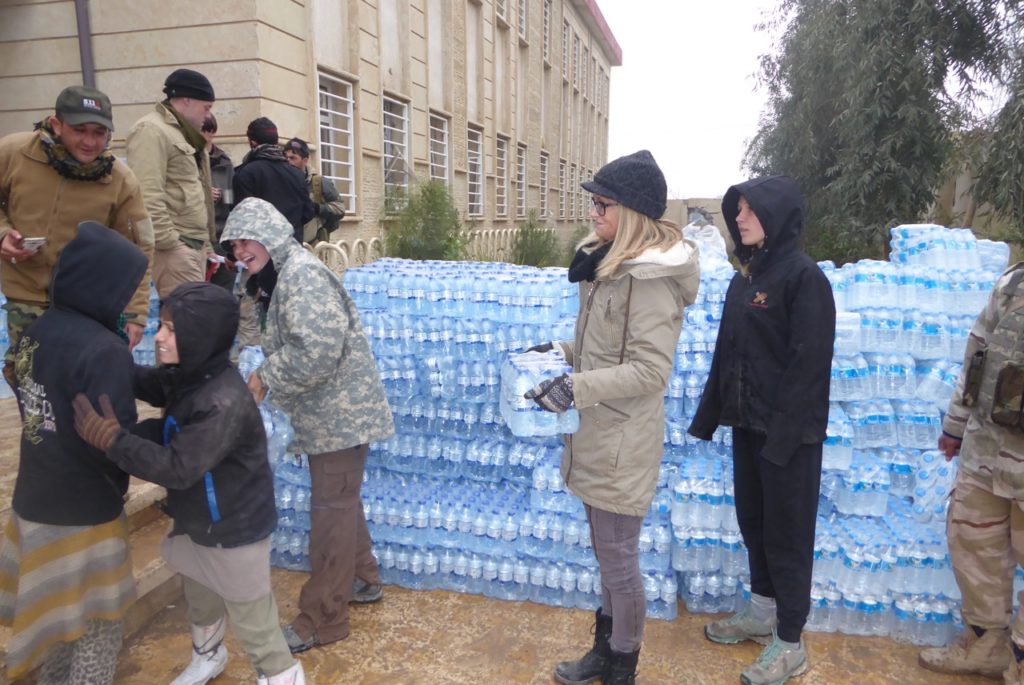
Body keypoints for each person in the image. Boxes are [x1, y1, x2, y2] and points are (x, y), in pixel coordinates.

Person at [72, 282, 305, 685]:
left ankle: (284, 676)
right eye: (161, 325)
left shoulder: (222, 401)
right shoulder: (192, 376)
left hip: (235, 529)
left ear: (201, 337)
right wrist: (108, 355)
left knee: (255, 624)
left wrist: (117, 441)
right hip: (199, 519)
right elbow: (151, 384)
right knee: (199, 598)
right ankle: (208, 657)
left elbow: (178, 467)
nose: (158, 337)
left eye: (170, 330)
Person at [524, 150, 700, 685]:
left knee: (618, 561)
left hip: (622, 444)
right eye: (593, 202)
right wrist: (555, 352)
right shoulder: (606, 266)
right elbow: (599, 350)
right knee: (606, 555)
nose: (593, 212)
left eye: (602, 204)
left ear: (631, 212)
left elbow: (650, 371)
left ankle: (623, 660)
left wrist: (574, 388)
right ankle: (604, 651)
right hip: (598, 437)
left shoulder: (649, 282)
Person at [222, 198, 394, 654]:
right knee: (341, 504)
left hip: (340, 415)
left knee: (330, 514)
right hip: (333, 413)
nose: (240, 250)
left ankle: (322, 619)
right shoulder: (279, 277)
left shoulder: (300, 275)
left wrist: (264, 378)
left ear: (270, 233)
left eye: (246, 239)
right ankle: (362, 578)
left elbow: (317, 350)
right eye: (234, 244)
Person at [688, 176, 835, 685]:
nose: (741, 217)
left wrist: (784, 437)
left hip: (789, 438)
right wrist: (709, 417)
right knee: (755, 524)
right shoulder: (743, 279)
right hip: (747, 428)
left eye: (751, 209)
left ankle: (791, 642)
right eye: (739, 210)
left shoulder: (803, 278)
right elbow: (726, 356)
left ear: (778, 216)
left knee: (788, 536)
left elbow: (809, 366)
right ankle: (761, 612)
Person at [0, 222, 148, 684]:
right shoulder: (105, 350)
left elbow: (26, 396)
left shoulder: (37, 330)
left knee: (59, 626)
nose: (126, 301)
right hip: (86, 515)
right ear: (103, 285)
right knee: (98, 630)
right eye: (124, 289)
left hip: (35, 500)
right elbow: (115, 439)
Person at [0, 85, 154, 390]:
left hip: (86, 304)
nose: (89, 141)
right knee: (27, 381)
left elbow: (140, 247)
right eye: (79, 130)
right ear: (56, 125)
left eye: (99, 132)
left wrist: (136, 314)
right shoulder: (14, 153)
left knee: (78, 384)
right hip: (25, 297)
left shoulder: (120, 180)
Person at [917, 263, 1024, 683]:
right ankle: (985, 644)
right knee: (972, 541)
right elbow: (977, 354)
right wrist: (956, 425)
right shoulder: (1013, 283)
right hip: (988, 448)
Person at [127, 68, 217, 299]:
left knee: (190, 322)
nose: (207, 115)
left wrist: (205, 246)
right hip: (175, 248)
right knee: (184, 323)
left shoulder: (184, 133)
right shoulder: (151, 130)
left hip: (191, 245)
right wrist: (170, 242)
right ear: (186, 100)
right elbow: (146, 193)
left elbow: (198, 193)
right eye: (206, 107)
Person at [233, 119, 316, 244]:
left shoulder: (245, 173)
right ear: (276, 142)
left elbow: (241, 218)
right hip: (290, 248)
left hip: (260, 251)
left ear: (252, 142)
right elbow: (308, 211)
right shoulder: (297, 174)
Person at [283, 137, 346, 245]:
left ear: (305, 160)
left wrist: (318, 208)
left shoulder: (318, 182)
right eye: (286, 158)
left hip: (314, 247)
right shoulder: (280, 182)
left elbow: (340, 208)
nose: (288, 162)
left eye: (293, 158)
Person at [201, 113, 237, 292]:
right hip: (198, 235)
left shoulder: (225, 163)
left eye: (204, 130)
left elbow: (233, 200)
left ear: (212, 132)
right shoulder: (189, 160)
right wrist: (203, 194)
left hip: (221, 235)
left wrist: (221, 196)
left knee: (223, 291)